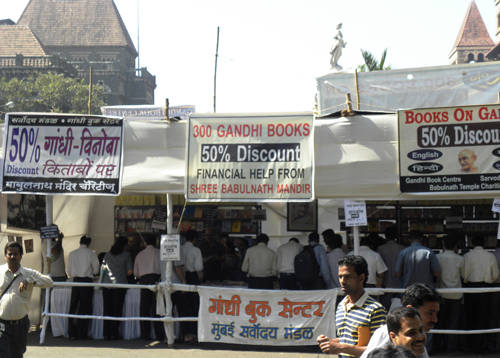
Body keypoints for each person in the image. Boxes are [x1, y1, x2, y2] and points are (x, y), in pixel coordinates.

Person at [317, 255, 386, 357]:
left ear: (361, 278)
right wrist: (329, 342)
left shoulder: (375, 309)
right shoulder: (341, 305)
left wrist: (341, 348)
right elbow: (347, 339)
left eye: (348, 276)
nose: (342, 281)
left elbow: (379, 350)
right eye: (340, 276)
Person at [0, 242, 53, 358]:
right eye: (9, 254)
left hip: (20, 325)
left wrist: (30, 280)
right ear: (5, 256)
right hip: (2, 325)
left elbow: (49, 282)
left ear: (21, 256)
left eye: (15, 254)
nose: (12, 257)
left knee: (17, 355)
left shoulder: (28, 273)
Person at [361, 283, 442, 358]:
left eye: (420, 331)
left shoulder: (418, 339)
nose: (435, 319)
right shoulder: (385, 334)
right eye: (430, 313)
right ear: (393, 337)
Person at [462, 234, 499, 353]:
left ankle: (471, 344)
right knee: (484, 316)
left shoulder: (466, 256)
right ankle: (482, 345)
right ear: (484, 244)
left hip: (470, 288)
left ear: (472, 244)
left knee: (470, 315)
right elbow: (495, 275)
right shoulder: (490, 256)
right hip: (486, 288)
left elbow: (463, 275)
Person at [434, 235, 464, 355]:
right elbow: (464, 275)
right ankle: (450, 348)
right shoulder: (460, 259)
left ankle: (436, 347)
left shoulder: (437, 257)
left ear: (444, 245)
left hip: (441, 293)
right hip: (456, 294)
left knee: (438, 320)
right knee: (453, 322)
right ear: (456, 246)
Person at [66, 235, 100, 340]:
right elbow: (96, 269)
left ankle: (71, 333)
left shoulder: (72, 253)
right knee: (85, 307)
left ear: (79, 242)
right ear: (89, 243)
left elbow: (68, 271)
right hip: (86, 281)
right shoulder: (92, 253)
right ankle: (82, 333)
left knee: (73, 306)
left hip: (76, 281)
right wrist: (92, 273)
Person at [102, 236, 133, 341]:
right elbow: (130, 272)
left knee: (107, 309)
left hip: (107, 285)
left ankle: (106, 333)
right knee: (117, 310)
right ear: (124, 245)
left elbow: (102, 270)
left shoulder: (107, 255)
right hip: (119, 285)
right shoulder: (127, 255)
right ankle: (115, 333)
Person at [134, 235, 164, 341]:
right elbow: (164, 268)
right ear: (156, 242)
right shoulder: (159, 252)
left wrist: (142, 276)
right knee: (157, 308)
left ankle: (145, 334)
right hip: (156, 279)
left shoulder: (140, 254)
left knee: (145, 308)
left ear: (145, 243)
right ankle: (159, 334)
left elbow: (135, 273)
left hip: (144, 280)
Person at [180, 229, 203, 342]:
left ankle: (184, 332)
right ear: (195, 239)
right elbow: (199, 267)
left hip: (182, 277)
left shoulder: (180, 249)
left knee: (184, 306)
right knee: (195, 306)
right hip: (192, 277)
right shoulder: (196, 250)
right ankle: (194, 331)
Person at [377, 226, 405, 311]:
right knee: (398, 310)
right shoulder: (402, 248)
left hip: (386, 283)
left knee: (384, 310)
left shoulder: (381, 248)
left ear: (386, 236)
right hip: (400, 284)